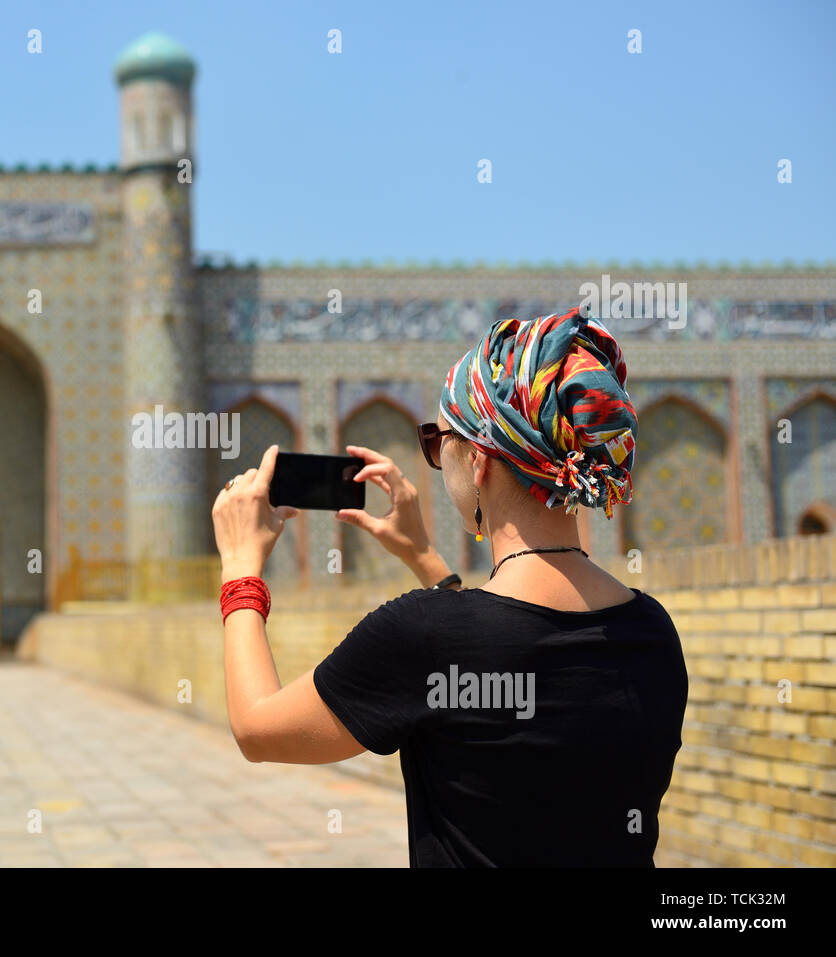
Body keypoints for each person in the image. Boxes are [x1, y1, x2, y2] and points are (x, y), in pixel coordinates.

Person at [211, 307, 687, 867]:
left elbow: (257, 729)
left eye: (441, 443)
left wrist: (241, 568)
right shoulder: (651, 630)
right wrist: (425, 559)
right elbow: (500, 650)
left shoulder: (423, 633)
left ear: (480, 460)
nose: (438, 462)